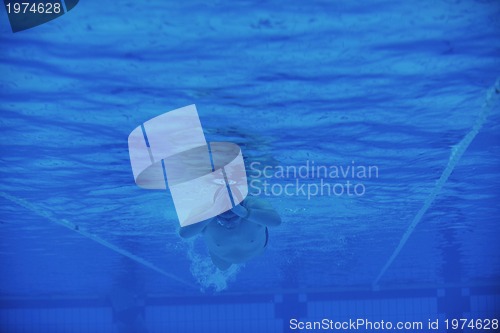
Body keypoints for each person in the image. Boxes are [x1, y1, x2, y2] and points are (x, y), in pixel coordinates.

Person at [179, 195, 281, 270]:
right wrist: (211, 213)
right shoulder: (206, 211)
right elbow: (184, 233)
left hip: (258, 250)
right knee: (222, 268)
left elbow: (276, 221)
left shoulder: (252, 204)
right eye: (223, 219)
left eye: (233, 217)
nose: (229, 223)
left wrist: (245, 213)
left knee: (260, 252)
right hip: (221, 257)